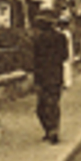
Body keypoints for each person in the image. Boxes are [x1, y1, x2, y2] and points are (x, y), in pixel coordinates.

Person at [33, 12, 69, 144]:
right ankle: (54, 129)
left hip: (43, 76)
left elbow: (36, 60)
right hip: (56, 75)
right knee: (53, 103)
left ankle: (49, 129)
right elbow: (65, 56)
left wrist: (36, 80)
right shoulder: (61, 37)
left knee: (41, 106)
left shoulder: (39, 40)